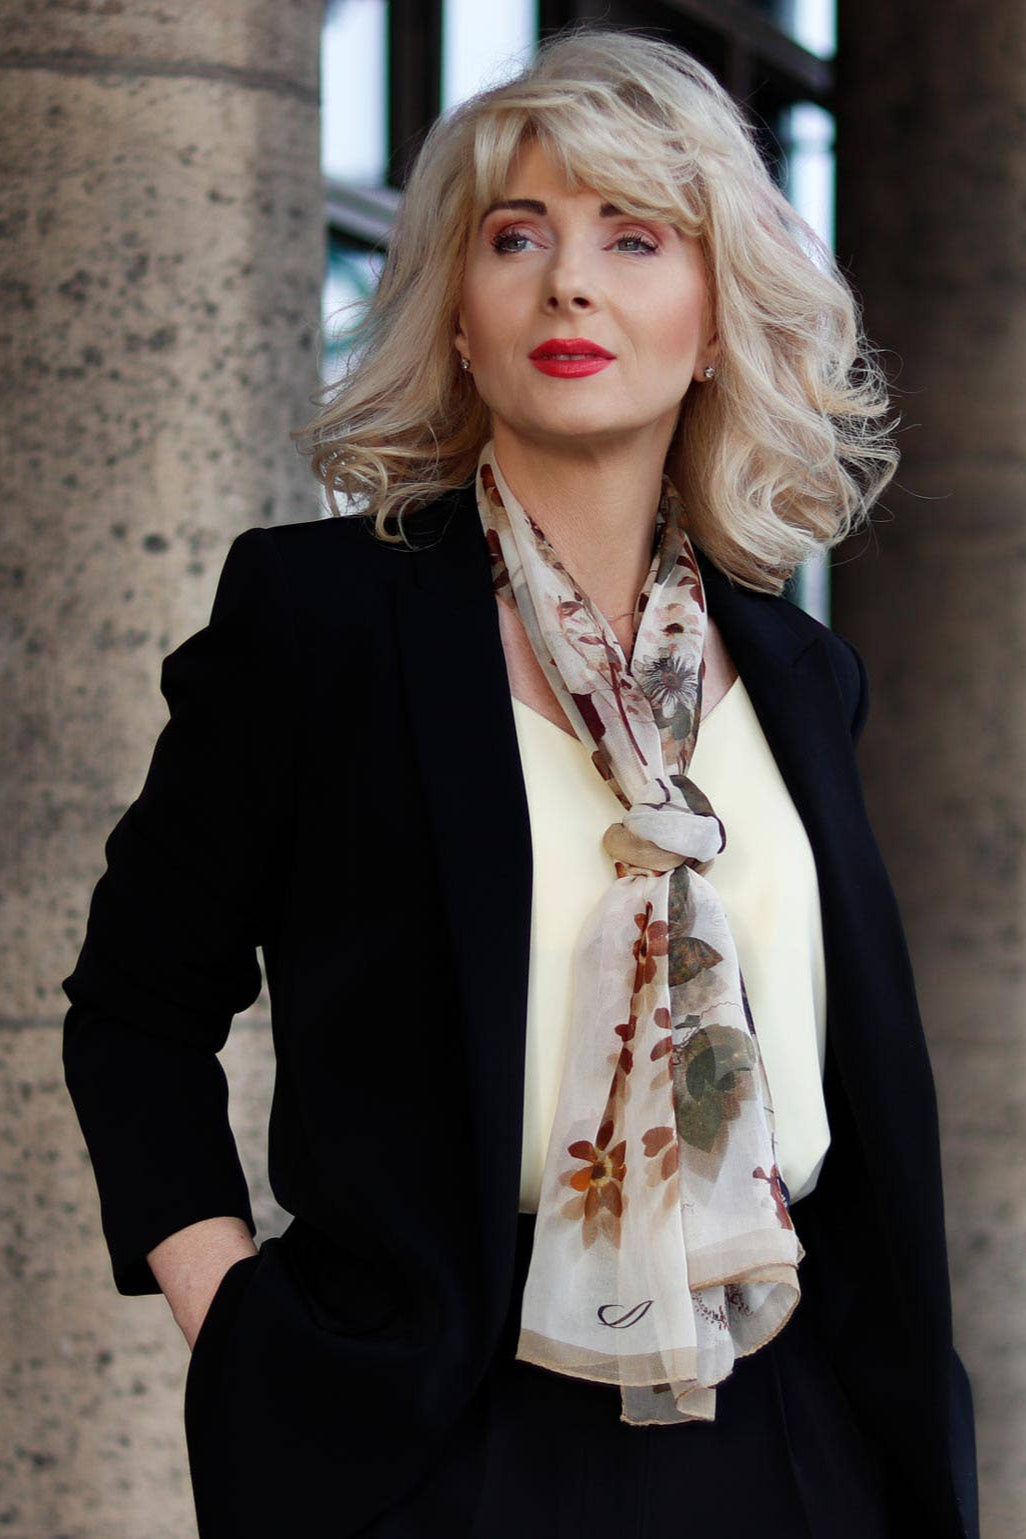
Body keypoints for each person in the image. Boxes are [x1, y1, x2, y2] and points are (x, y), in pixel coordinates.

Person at [62, 28, 979, 1539]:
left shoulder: (802, 678)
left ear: (711, 322)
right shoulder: (319, 622)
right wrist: (234, 1320)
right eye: (516, 237)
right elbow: (136, 1010)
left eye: (633, 237)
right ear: (461, 318)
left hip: (785, 1422)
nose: (569, 282)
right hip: (438, 1429)